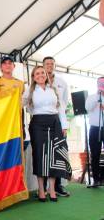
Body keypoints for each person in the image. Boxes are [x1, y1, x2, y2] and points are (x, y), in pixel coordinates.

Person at [22, 66, 71, 202]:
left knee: (54, 156)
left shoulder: (53, 89)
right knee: (39, 156)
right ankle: (41, 190)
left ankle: (52, 190)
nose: (40, 75)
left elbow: (61, 108)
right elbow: (19, 103)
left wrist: (64, 126)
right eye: (37, 73)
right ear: (33, 77)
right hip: (37, 124)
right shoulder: (29, 91)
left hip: (55, 123)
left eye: (42, 73)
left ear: (46, 75)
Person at [43, 56, 70, 197]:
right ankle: (45, 187)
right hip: (42, 123)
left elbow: (63, 103)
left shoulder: (62, 82)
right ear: (42, 65)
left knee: (58, 152)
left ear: (54, 65)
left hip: (58, 121)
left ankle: (58, 186)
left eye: (51, 64)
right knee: (45, 153)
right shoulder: (38, 80)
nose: (49, 66)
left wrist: (63, 124)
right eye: (47, 64)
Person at [85, 77, 104, 187]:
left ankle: (102, 178)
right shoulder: (92, 97)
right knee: (95, 154)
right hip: (95, 128)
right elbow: (88, 107)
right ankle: (96, 180)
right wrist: (97, 98)